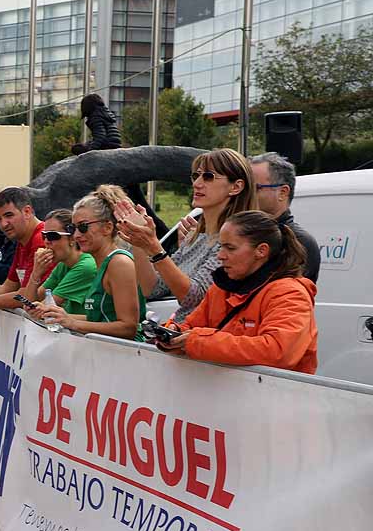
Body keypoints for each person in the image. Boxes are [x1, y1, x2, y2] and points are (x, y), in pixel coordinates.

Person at [157, 210, 317, 374]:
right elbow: (190, 327)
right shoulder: (223, 287)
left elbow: (279, 352)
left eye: (230, 248)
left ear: (261, 251)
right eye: (220, 247)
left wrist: (197, 342)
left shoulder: (290, 293)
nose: (220, 256)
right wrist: (173, 334)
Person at [117, 148, 257, 323]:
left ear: (236, 187)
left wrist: (154, 248)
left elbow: (194, 297)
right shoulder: (196, 238)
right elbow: (151, 289)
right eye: (195, 176)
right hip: (182, 336)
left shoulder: (234, 242)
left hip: (205, 340)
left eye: (208, 177)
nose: (197, 183)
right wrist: (138, 239)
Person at [36, 186, 146, 340]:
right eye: (72, 228)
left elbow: (128, 327)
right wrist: (61, 316)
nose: (76, 235)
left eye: (83, 227)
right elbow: (99, 319)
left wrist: (73, 323)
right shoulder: (101, 262)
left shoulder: (119, 263)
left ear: (107, 227)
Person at [249, 152, 320, 283]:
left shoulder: (299, 242)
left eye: (255, 188)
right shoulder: (243, 232)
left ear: (283, 192)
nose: (247, 194)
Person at [19, 209, 97, 315]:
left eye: (52, 236)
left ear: (72, 239)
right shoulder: (62, 265)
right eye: (44, 236)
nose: (46, 241)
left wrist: (36, 308)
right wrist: (36, 273)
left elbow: (43, 310)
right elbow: (29, 305)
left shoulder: (86, 266)